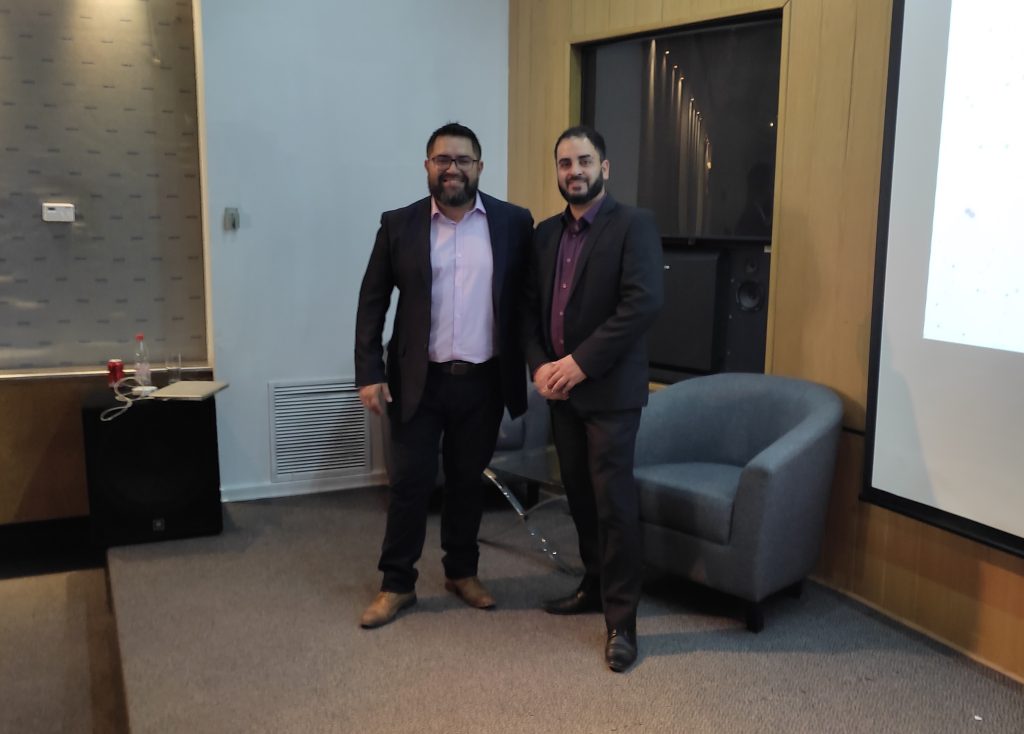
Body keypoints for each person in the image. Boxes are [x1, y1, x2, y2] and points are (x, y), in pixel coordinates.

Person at [354, 122, 533, 628]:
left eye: (463, 160)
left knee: (466, 481)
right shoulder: (399, 224)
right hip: (418, 380)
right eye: (442, 160)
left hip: (483, 380)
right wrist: (368, 371)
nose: (452, 168)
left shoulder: (514, 222)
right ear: (428, 166)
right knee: (410, 484)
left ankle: (461, 571)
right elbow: (372, 302)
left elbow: (527, 299)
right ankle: (397, 584)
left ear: (479, 166)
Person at [522, 125, 663, 671]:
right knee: (579, 496)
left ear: (604, 167)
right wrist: (540, 366)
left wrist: (579, 364)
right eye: (564, 163)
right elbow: (529, 310)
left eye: (583, 161)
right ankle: (594, 584)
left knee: (614, 506)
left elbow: (642, 304)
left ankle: (622, 622)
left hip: (609, 393)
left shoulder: (633, 225)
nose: (574, 171)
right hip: (560, 393)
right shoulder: (544, 234)